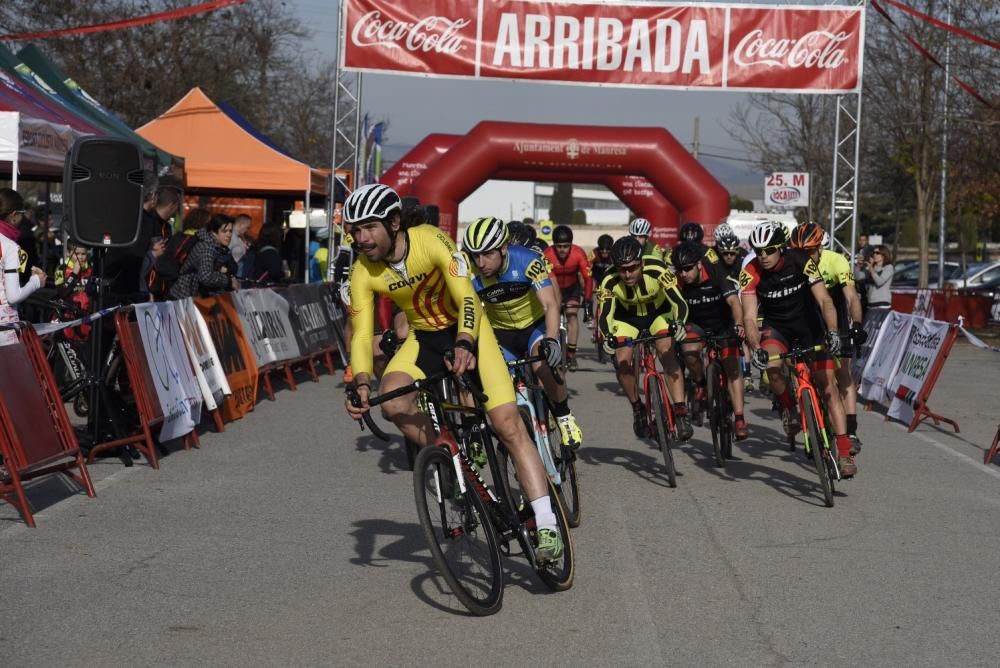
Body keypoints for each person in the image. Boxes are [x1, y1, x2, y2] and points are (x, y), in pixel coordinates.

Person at [342, 184, 564, 562]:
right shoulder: (363, 270)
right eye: (354, 230)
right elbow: (362, 333)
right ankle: (451, 458)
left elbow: (466, 298)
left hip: (470, 331)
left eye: (368, 228)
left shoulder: (430, 241)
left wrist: (463, 342)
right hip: (425, 337)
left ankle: (547, 525)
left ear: (394, 222)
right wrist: (360, 382)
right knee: (392, 402)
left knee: (507, 424)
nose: (361, 238)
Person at [738, 221, 857, 477]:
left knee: (828, 388)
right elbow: (749, 316)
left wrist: (833, 332)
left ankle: (845, 452)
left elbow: (825, 300)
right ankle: (787, 407)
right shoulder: (750, 271)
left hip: (809, 326)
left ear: (781, 248)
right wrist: (755, 346)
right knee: (772, 367)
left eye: (769, 250)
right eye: (758, 251)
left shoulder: (801, 261)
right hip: (777, 327)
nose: (763, 256)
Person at [464, 216, 583, 449]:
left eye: (488, 254)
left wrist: (551, 339)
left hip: (534, 327)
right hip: (500, 334)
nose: (481, 262)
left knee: (543, 365)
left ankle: (563, 416)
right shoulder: (470, 273)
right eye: (475, 255)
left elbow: (550, 304)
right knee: (490, 384)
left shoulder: (528, 260)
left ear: (504, 248)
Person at [598, 236, 692, 441]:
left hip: (658, 314)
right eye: (622, 269)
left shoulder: (657, 269)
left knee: (666, 352)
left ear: (641, 262)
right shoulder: (608, 280)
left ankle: (680, 410)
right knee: (622, 361)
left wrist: (680, 323)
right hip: (627, 319)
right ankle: (637, 408)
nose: (627, 274)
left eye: (632, 268)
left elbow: (679, 302)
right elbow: (605, 314)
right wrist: (607, 337)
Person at [789, 222, 866, 453]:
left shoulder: (836, 260)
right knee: (801, 375)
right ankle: (809, 424)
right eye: (801, 252)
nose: (806, 256)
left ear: (821, 247)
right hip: (807, 321)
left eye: (811, 251)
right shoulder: (793, 262)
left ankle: (850, 430)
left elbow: (851, 296)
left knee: (843, 375)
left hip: (836, 318)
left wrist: (858, 325)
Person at [673, 241, 749, 440]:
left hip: (722, 323)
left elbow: (734, 302)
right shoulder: (677, 282)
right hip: (695, 323)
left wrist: (739, 324)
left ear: (698, 264)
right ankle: (700, 383)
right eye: (680, 270)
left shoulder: (716, 273)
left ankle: (739, 417)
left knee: (731, 363)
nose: (684, 274)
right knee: (688, 350)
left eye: (688, 269)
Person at [543, 225, 592, 372]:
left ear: (571, 244)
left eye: (566, 246)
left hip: (572, 288)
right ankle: (554, 347)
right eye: (559, 246)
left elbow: (587, 278)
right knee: (553, 317)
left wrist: (588, 300)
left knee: (571, 315)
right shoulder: (547, 254)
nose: (562, 250)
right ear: (554, 245)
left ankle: (571, 354)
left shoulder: (578, 253)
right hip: (553, 288)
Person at [0, 189, 46, 344]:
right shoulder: (10, 246)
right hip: (4, 331)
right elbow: (13, 296)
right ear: (14, 215)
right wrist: (36, 282)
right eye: (22, 212)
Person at [168, 215, 239, 300]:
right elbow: (206, 276)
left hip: (193, 296)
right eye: (224, 231)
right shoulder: (207, 247)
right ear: (214, 232)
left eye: (230, 231)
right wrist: (228, 281)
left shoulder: (219, 247)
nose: (228, 235)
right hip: (183, 297)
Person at [865, 245, 894, 311]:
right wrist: (858, 265)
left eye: (877, 253)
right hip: (870, 303)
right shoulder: (872, 267)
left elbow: (879, 282)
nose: (874, 255)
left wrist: (871, 269)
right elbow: (859, 277)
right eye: (873, 253)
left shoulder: (888, 267)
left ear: (884, 254)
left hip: (882, 303)